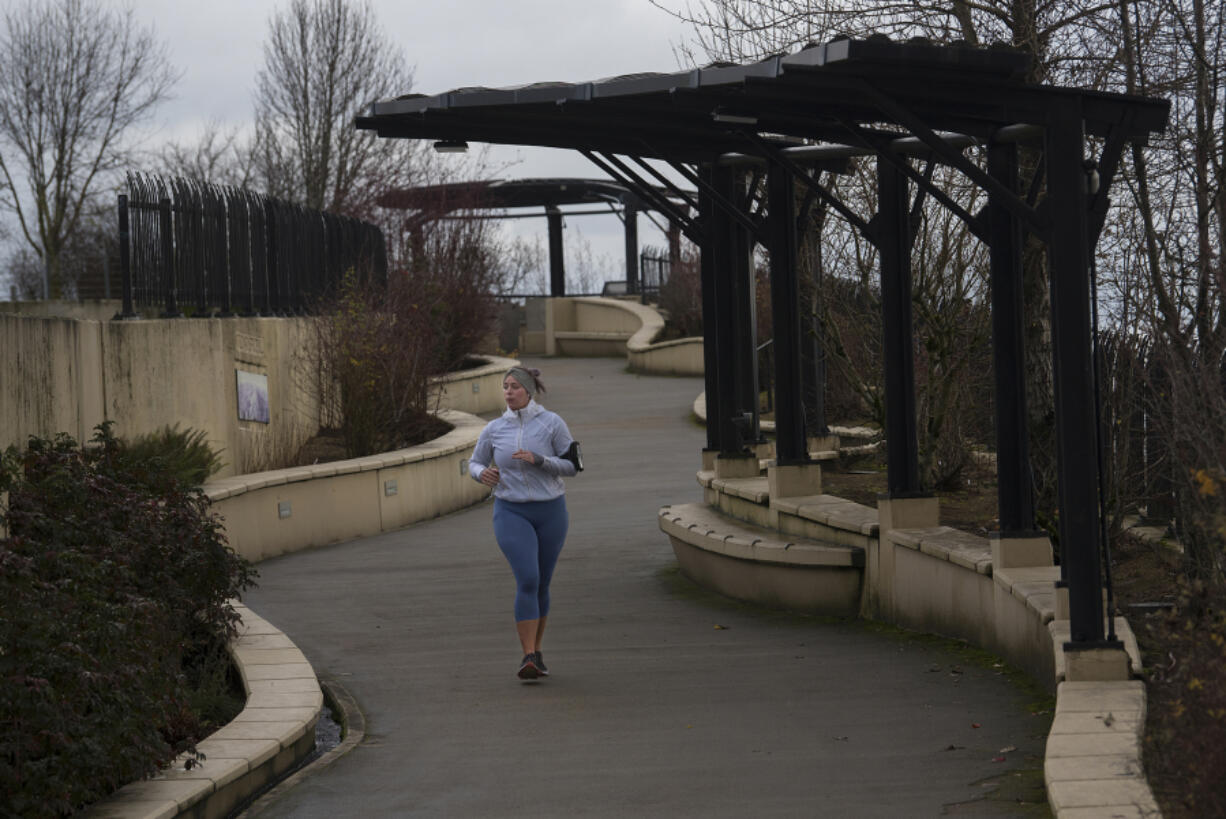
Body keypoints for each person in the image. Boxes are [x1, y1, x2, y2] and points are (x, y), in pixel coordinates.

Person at [468, 366, 578, 680]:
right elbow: (475, 462)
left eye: (515, 386)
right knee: (528, 578)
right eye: (505, 386)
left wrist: (539, 460)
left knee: (542, 582)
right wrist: (481, 474)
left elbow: (572, 466)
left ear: (528, 391)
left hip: (551, 512)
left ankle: (537, 652)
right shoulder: (493, 429)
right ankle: (527, 656)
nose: (508, 392)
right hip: (511, 511)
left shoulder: (552, 423)